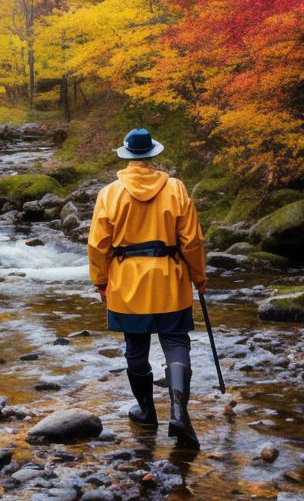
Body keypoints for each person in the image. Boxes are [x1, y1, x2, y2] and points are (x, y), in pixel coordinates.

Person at [87, 128, 207, 449]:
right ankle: (180, 414)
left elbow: (98, 245)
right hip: (170, 278)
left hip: (127, 283)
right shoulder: (176, 189)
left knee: (135, 347)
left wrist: (100, 281)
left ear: (127, 156)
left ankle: (147, 412)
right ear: (152, 156)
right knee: (175, 341)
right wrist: (199, 276)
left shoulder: (109, 194)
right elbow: (192, 240)